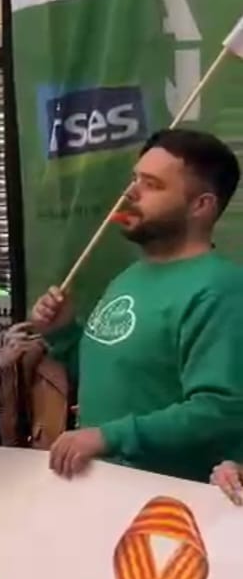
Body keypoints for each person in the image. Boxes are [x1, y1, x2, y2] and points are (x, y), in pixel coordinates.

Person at [30, 129, 243, 485]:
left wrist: (109, 437)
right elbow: (119, 378)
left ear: (200, 206)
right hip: (104, 491)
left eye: (152, 184)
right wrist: (63, 334)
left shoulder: (221, 289)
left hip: (166, 502)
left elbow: (220, 410)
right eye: (134, 179)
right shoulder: (130, 275)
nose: (130, 193)